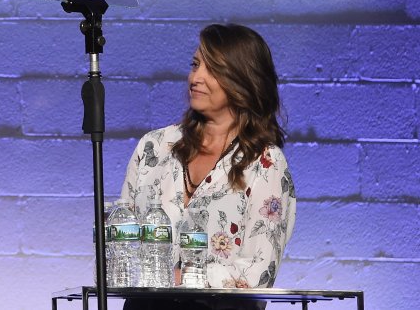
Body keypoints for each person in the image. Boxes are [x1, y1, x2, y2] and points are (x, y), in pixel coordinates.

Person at [119, 24, 296, 309]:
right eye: (195, 64)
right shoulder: (153, 147)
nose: (195, 77)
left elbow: (259, 271)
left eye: (211, 69)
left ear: (244, 79)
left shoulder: (265, 162)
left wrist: (183, 277)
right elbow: (121, 242)